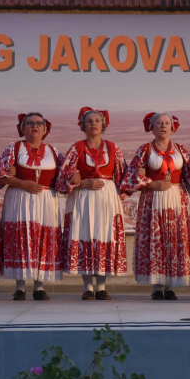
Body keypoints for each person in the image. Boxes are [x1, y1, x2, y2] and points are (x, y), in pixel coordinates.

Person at [120, 112, 190, 299]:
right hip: (153, 199)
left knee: (173, 240)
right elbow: (130, 177)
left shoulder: (181, 149)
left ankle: (171, 284)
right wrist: (149, 182)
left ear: (173, 127)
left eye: (167, 123)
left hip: (176, 198)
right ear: (152, 127)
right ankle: (157, 286)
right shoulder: (145, 150)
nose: (163, 126)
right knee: (155, 240)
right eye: (159, 123)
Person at [56, 107, 128, 300]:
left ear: (103, 125)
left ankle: (102, 286)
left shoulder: (113, 148)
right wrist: (81, 182)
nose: (93, 124)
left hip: (107, 198)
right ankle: (88, 287)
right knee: (85, 234)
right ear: (83, 126)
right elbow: (63, 176)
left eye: (97, 121)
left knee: (105, 235)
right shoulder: (76, 148)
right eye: (89, 121)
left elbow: (124, 176)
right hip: (83, 198)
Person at [0, 113, 64, 300]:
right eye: (30, 123)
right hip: (20, 198)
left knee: (43, 238)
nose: (35, 126)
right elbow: (1, 174)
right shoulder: (13, 148)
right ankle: (20, 286)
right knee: (21, 237)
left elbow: (65, 176)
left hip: (46, 199)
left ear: (45, 129)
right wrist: (23, 183)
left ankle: (40, 286)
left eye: (39, 123)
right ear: (22, 128)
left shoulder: (53, 151)